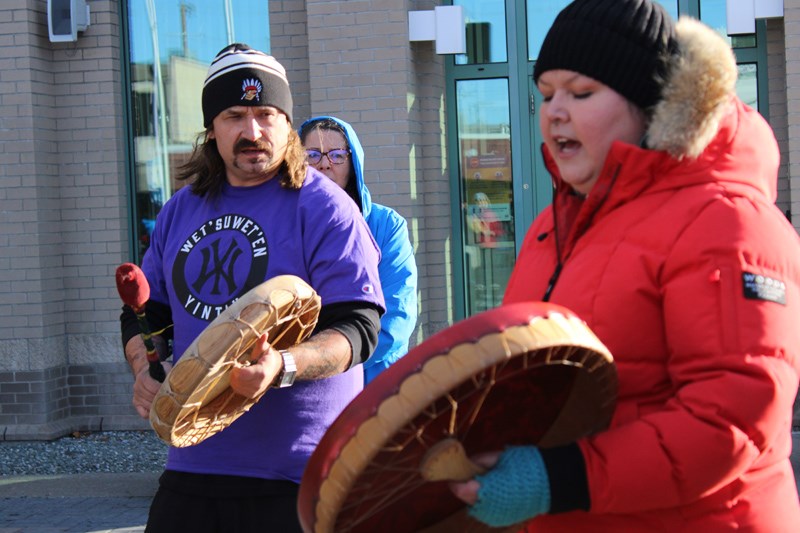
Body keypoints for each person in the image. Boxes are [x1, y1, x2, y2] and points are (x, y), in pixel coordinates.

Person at [450, 1, 800, 531]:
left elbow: (728, 418)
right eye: (545, 94)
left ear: (650, 106)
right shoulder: (554, 223)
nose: (554, 112)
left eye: (581, 92)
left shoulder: (726, 219)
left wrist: (559, 478)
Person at [120, 44, 385, 532]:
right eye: (234, 115)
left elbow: (358, 327)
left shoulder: (324, 208)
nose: (252, 131)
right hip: (194, 463)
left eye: (267, 114)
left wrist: (282, 366)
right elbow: (146, 313)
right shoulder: (180, 209)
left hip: (302, 471)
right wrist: (146, 369)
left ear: (287, 123)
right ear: (211, 128)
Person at [298, 116, 418, 383]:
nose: (325, 164)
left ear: (353, 163)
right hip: (303, 386)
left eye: (337, 155)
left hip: (375, 384)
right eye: (313, 154)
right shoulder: (286, 224)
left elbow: (397, 318)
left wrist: (328, 362)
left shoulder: (386, 226)